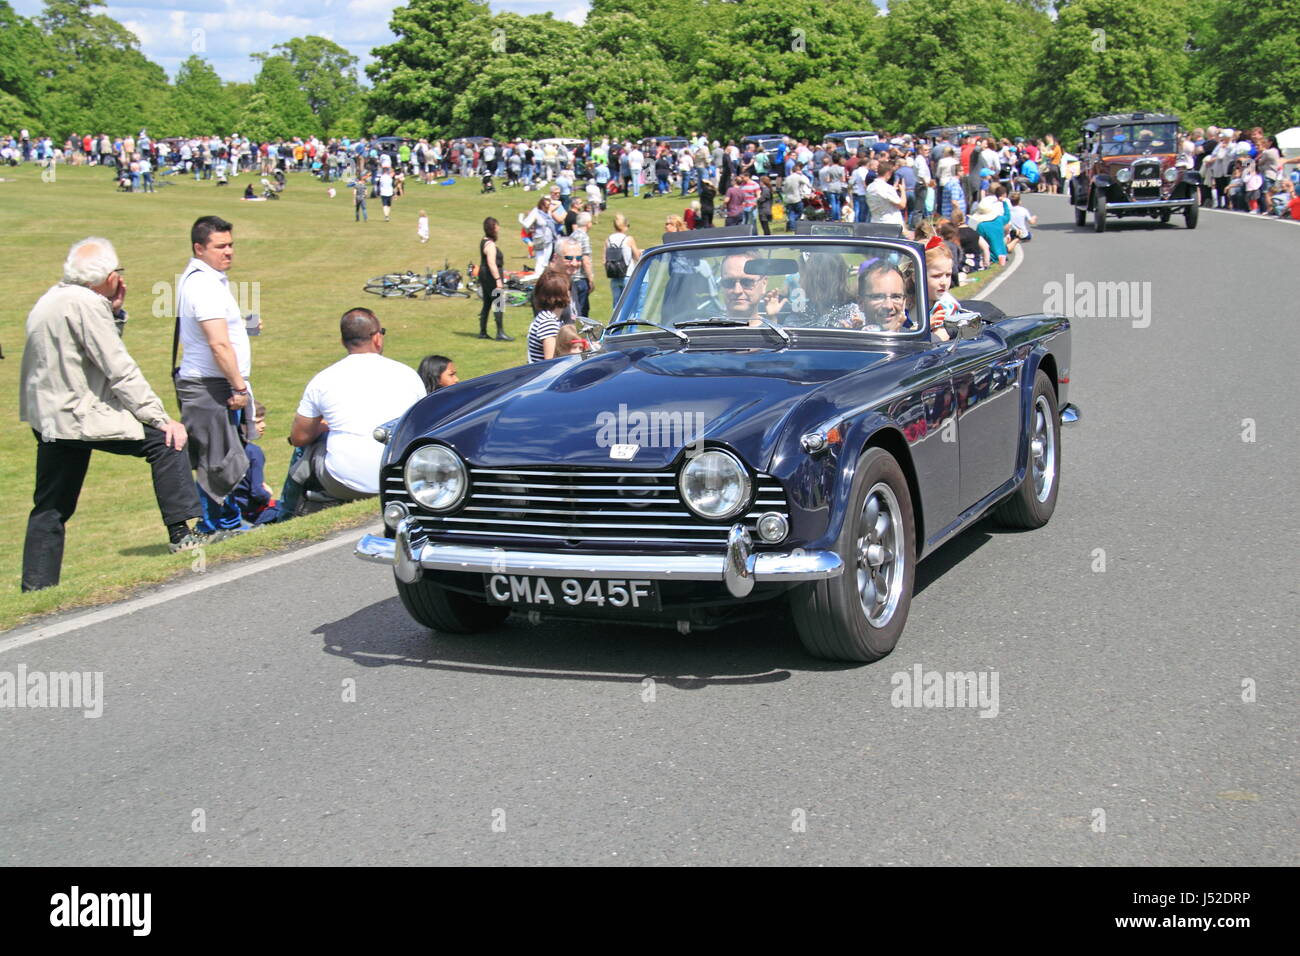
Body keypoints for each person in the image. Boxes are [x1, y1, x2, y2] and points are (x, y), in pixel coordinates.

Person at [19, 238, 203, 591]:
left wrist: (113, 312)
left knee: (51, 507)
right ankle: (184, 536)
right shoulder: (87, 304)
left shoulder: (50, 299)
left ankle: (36, 589)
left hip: (48, 421)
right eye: (118, 272)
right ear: (107, 275)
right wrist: (160, 417)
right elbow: (118, 368)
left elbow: (85, 351)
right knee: (167, 443)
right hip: (80, 415)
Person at [287, 309, 426, 503]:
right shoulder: (408, 374)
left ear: (343, 341)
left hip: (344, 484)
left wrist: (324, 427)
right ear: (377, 337)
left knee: (307, 446)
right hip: (399, 476)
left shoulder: (323, 380)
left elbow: (299, 437)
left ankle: (288, 508)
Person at [174, 215, 254, 539]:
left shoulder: (208, 280)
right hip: (210, 385)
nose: (229, 251)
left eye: (231, 244)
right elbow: (218, 343)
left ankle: (226, 523)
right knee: (216, 460)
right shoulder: (203, 285)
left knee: (224, 456)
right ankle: (213, 527)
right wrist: (238, 386)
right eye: (220, 246)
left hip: (211, 382)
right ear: (199, 248)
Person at [476, 216, 513, 341]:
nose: (498, 229)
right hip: (490, 275)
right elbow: (492, 263)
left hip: (484, 273)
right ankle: (500, 332)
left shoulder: (484, 240)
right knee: (498, 302)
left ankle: (482, 331)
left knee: (487, 302)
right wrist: (498, 279)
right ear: (493, 228)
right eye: (497, 226)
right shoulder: (490, 245)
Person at [527, 270, 570, 363]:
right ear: (561, 295)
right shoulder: (549, 323)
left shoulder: (547, 317)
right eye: (568, 290)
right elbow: (551, 361)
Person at [858, 263, 912, 332]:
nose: (888, 306)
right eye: (878, 297)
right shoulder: (847, 339)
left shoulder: (916, 340)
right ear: (861, 303)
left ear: (904, 302)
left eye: (896, 297)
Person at [925, 241, 960, 341]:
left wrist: (925, 328)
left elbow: (940, 337)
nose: (944, 282)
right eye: (936, 276)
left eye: (948, 275)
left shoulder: (945, 306)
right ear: (916, 277)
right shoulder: (905, 301)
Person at [604, 213, 640, 305]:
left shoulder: (608, 240)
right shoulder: (628, 239)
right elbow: (636, 257)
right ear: (624, 226)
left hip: (614, 275)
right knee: (629, 304)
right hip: (627, 274)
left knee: (616, 305)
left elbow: (604, 260)